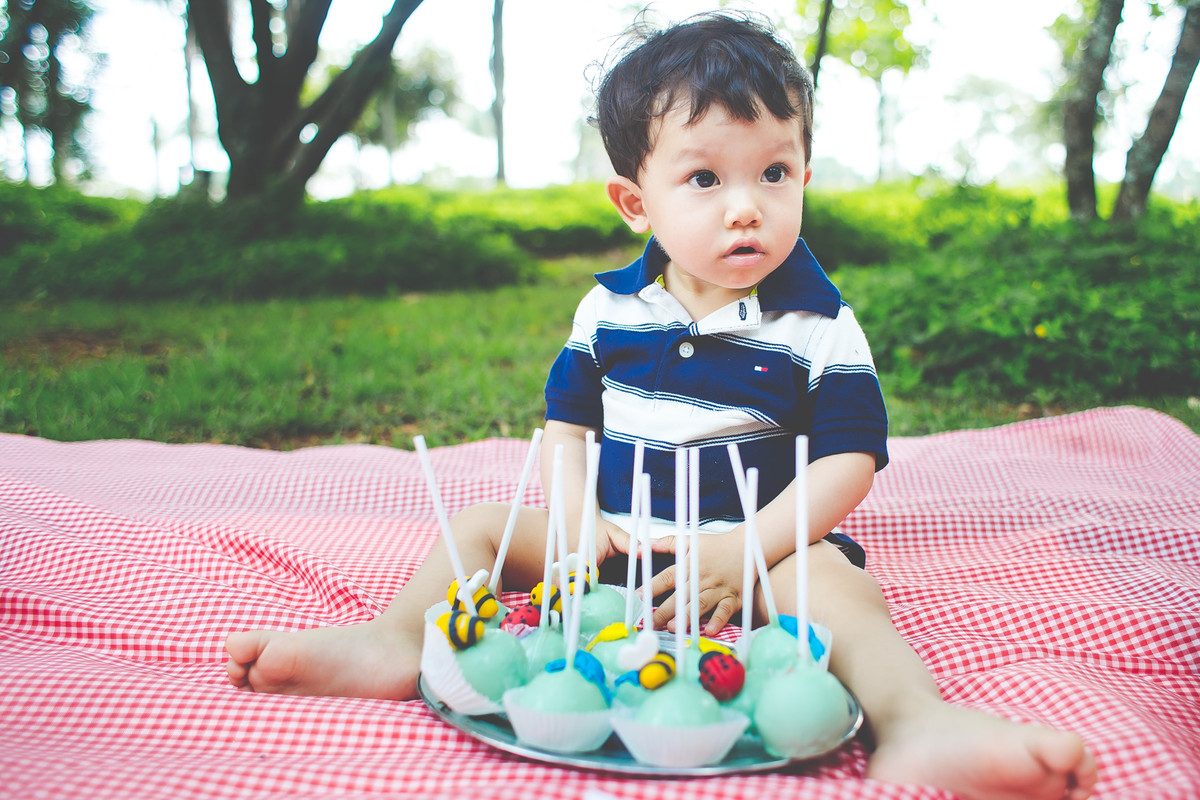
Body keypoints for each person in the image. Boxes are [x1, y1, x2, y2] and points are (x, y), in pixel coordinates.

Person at [226, 12, 1096, 800]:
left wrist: (746, 550)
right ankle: (393, 640)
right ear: (636, 200)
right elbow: (568, 425)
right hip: (614, 546)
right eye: (706, 179)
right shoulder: (609, 310)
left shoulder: (820, 322)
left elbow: (848, 460)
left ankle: (912, 723)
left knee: (835, 585)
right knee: (485, 527)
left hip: (757, 555)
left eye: (775, 171)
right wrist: (572, 520)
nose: (748, 205)